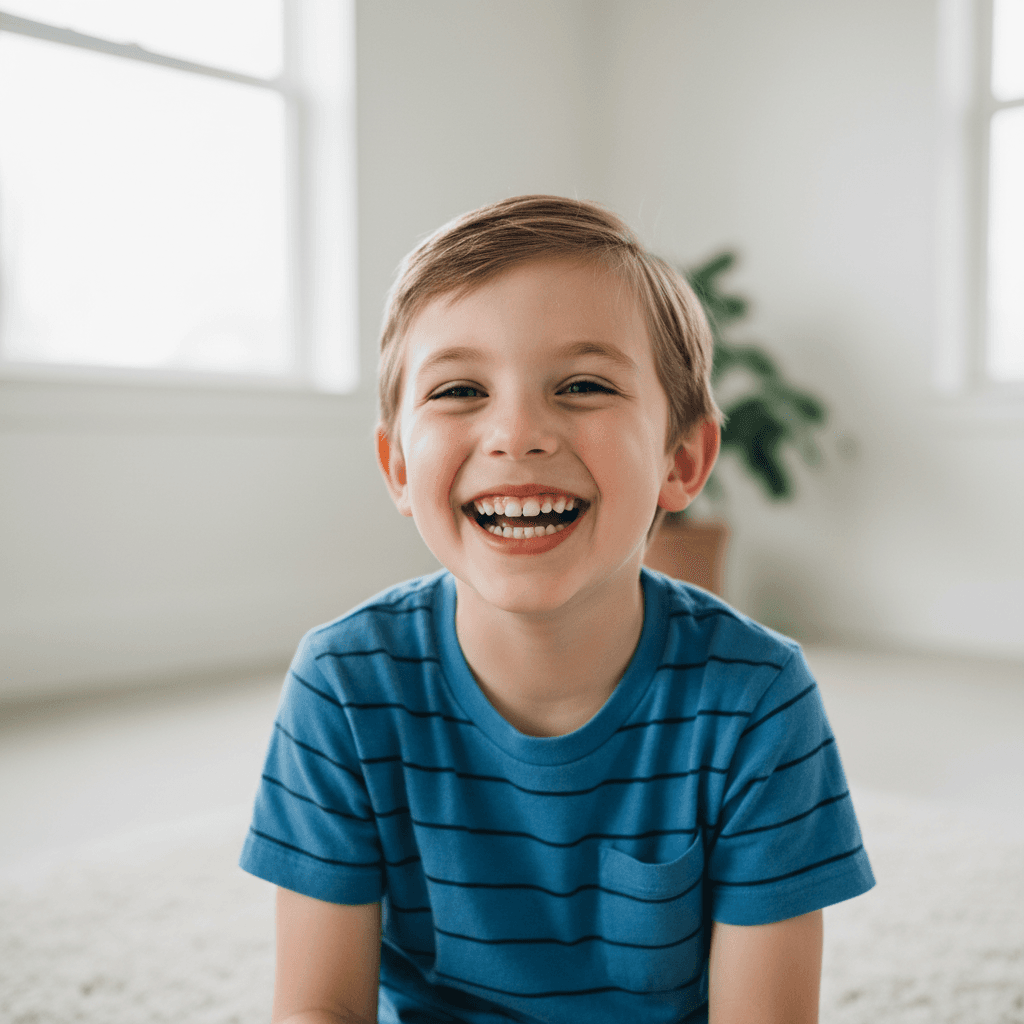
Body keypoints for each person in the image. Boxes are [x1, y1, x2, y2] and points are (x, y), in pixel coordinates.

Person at [240, 195, 875, 1024]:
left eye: (582, 385)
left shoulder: (758, 698)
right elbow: (319, 1010)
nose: (517, 432)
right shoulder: (343, 684)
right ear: (398, 466)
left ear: (683, 460)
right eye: (461, 388)